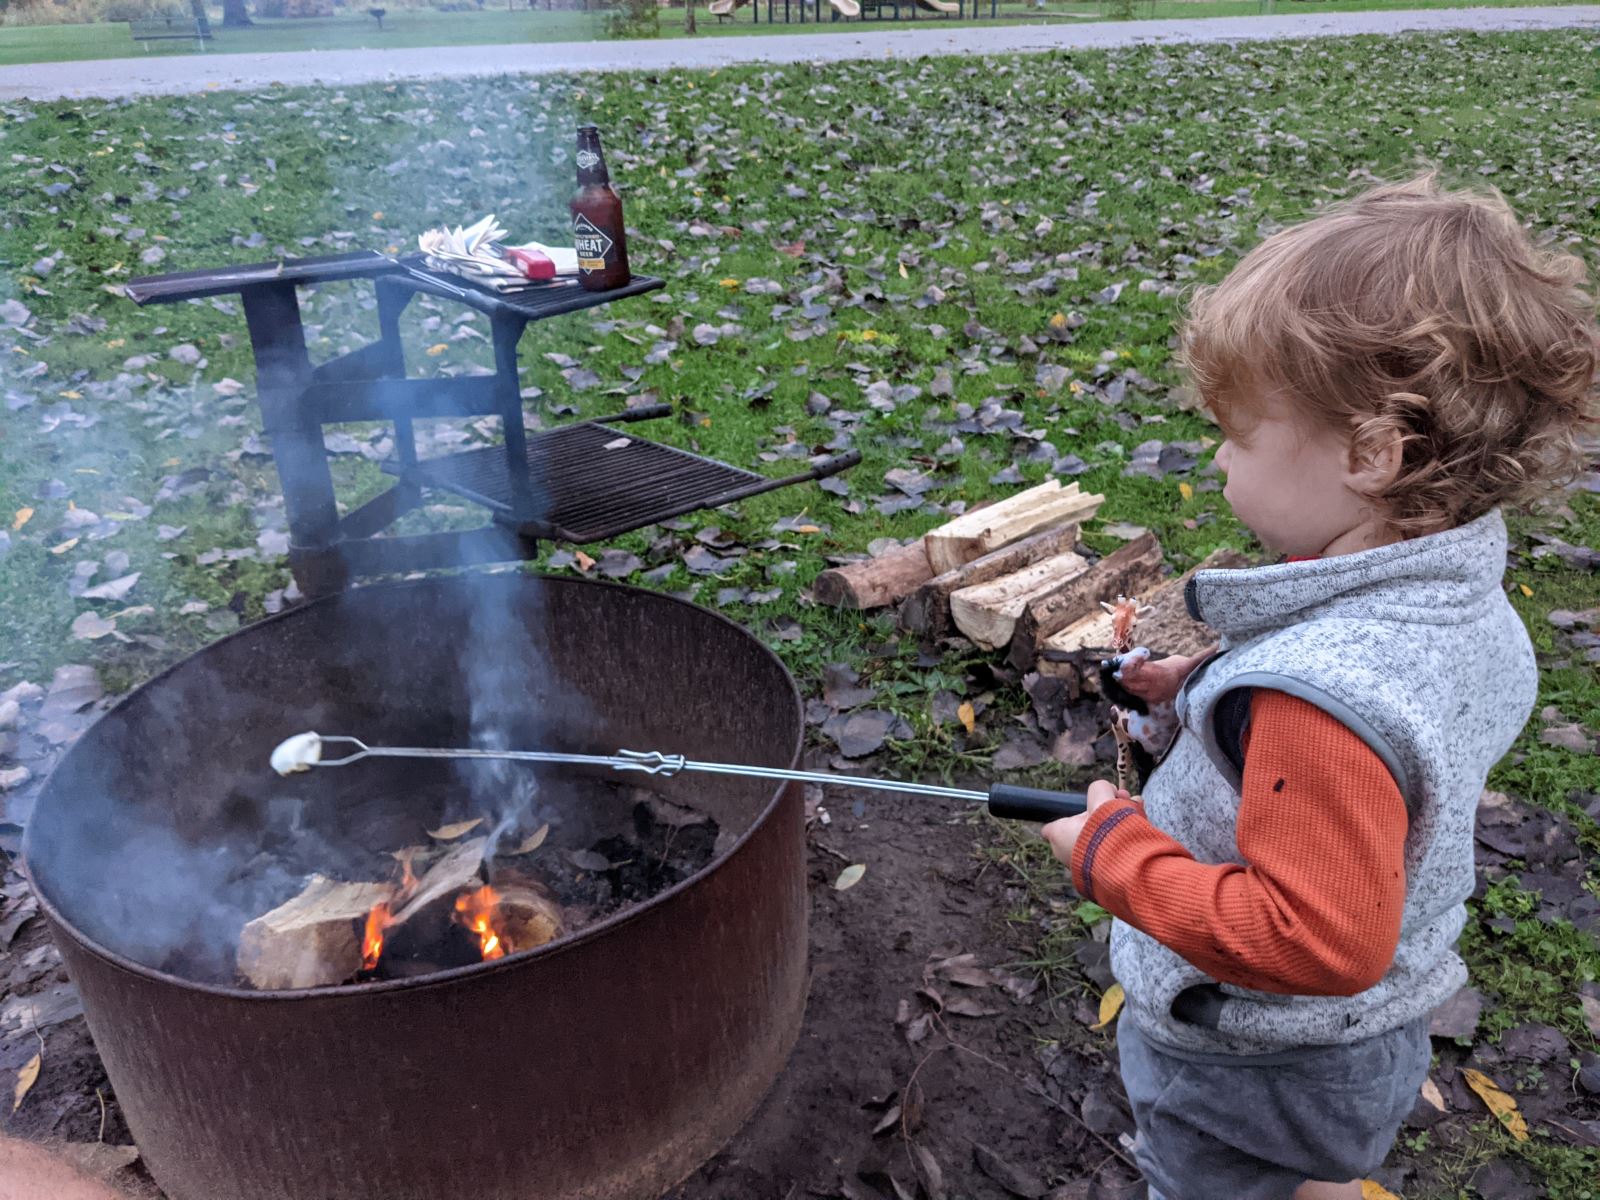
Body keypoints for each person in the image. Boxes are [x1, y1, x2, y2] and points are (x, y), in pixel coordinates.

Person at [1040, 173, 1598, 1200]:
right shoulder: (1457, 589)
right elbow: (1392, 732)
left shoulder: (1318, 699)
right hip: (1360, 1045)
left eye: (1238, 435)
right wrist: (1198, 700)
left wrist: (1114, 857)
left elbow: (1311, 936)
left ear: (1370, 454)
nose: (1214, 462)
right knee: (1302, 1173)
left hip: (1254, 1060)